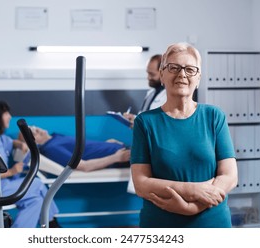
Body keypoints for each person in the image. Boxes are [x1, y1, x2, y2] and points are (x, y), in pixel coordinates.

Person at [130, 42, 238, 228]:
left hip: (212, 224)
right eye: (173, 68)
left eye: (190, 69)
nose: (182, 75)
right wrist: (192, 190)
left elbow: (229, 176)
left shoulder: (214, 116)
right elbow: (141, 183)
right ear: (162, 75)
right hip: (161, 224)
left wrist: (192, 207)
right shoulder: (145, 122)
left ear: (198, 78)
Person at [0, 100, 60, 228]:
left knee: (36, 201)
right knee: (38, 184)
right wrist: (12, 171)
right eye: (6, 113)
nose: (10, 117)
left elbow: (10, 142)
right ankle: (52, 224)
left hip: (4, 186)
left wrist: (21, 144)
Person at [18, 126, 131, 172]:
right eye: (33, 133)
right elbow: (83, 166)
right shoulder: (52, 148)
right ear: (33, 142)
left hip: (121, 148)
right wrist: (116, 157)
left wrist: (104, 144)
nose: (37, 129)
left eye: (34, 127)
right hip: (125, 156)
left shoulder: (55, 138)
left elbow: (85, 150)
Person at [123, 54, 167, 127]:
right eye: (148, 73)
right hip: (143, 137)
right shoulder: (150, 93)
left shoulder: (169, 97)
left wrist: (139, 125)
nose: (148, 77)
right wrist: (133, 118)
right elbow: (145, 118)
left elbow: (160, 125)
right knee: (110, 139)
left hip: (152, 137)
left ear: (163, 73)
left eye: (152, 74)